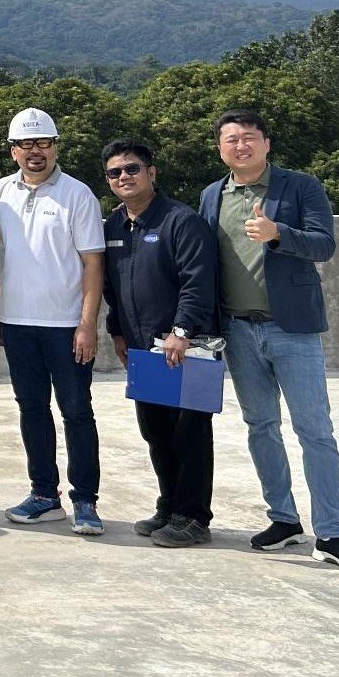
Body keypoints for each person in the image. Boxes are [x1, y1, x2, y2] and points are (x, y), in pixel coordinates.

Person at [199, 109, 339, 575]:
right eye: (231, 139)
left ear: (267, 143)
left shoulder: (300, 187)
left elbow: (324, 245)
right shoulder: (212, 195)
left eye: (249, 137)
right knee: (261, 427)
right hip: (237, 329)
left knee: (315, 430)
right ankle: (283, 518)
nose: (241, 146)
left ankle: (332, 534)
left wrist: (279, 234)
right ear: (220, 148)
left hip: (292, 327)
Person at [0, 108, 108, 536]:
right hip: (16, 322)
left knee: (76, 411)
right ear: (13, 150)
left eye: (43, 143)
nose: (34, 151)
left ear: (56, 146)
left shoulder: (78, 195)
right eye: (25, 144)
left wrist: (87, 324)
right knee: (32, 409)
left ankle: (85, 500)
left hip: (65, 325)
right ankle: (43, 494)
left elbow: (93, 264)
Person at [100, 140, 219, 549]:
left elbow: (197, 282)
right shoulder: (114, 226)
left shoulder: (181, 221)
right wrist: (116, 330)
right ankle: (169, 506)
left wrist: (181, 330)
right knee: (156, 431)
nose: (124, 177)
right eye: (115, 172)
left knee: (190, 433)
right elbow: (112, 287)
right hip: (143, 349)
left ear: (151, 173)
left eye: (132, 168)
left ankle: (194, 517)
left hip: (186, 347)